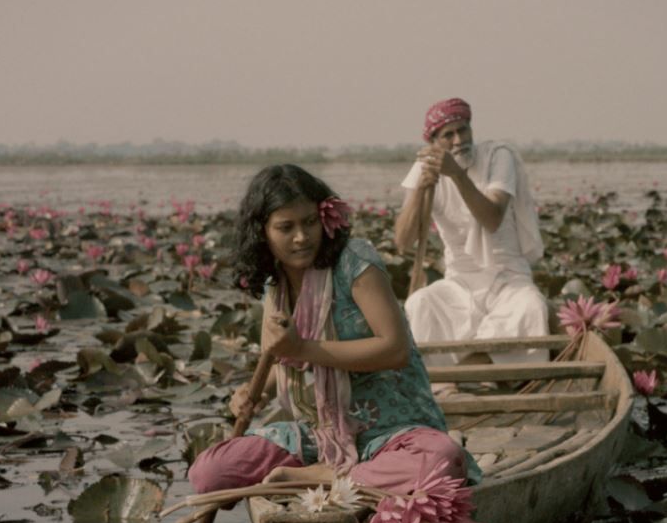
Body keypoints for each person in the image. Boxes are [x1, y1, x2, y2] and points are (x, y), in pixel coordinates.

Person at [188, 164, 479, 498]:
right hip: (322, 433)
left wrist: (302, 349)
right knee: (207, 473)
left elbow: (395, 350)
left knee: (443, 460)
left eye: (310, 222)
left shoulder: (354, 261)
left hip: (393, 429)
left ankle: (326, 478)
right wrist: (254, 393)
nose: (302, 237)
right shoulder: (275, 283)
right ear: (263, 232)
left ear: (324, 218)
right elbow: (283, 356)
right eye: (286, 227)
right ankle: (336, 473)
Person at [394, 98, 550, 387]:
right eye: (448, 135)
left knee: (531, 307)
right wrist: (420, 189)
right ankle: (451, 385)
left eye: (463, 130)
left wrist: (455, 174)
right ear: (434, 143)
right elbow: (403, 241)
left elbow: (491, 218)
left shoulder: (497, 156)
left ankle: (467, 379)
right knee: (420, 303)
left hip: (508, 278)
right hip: (460, 283)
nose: (458, 140)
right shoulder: (426, 165)